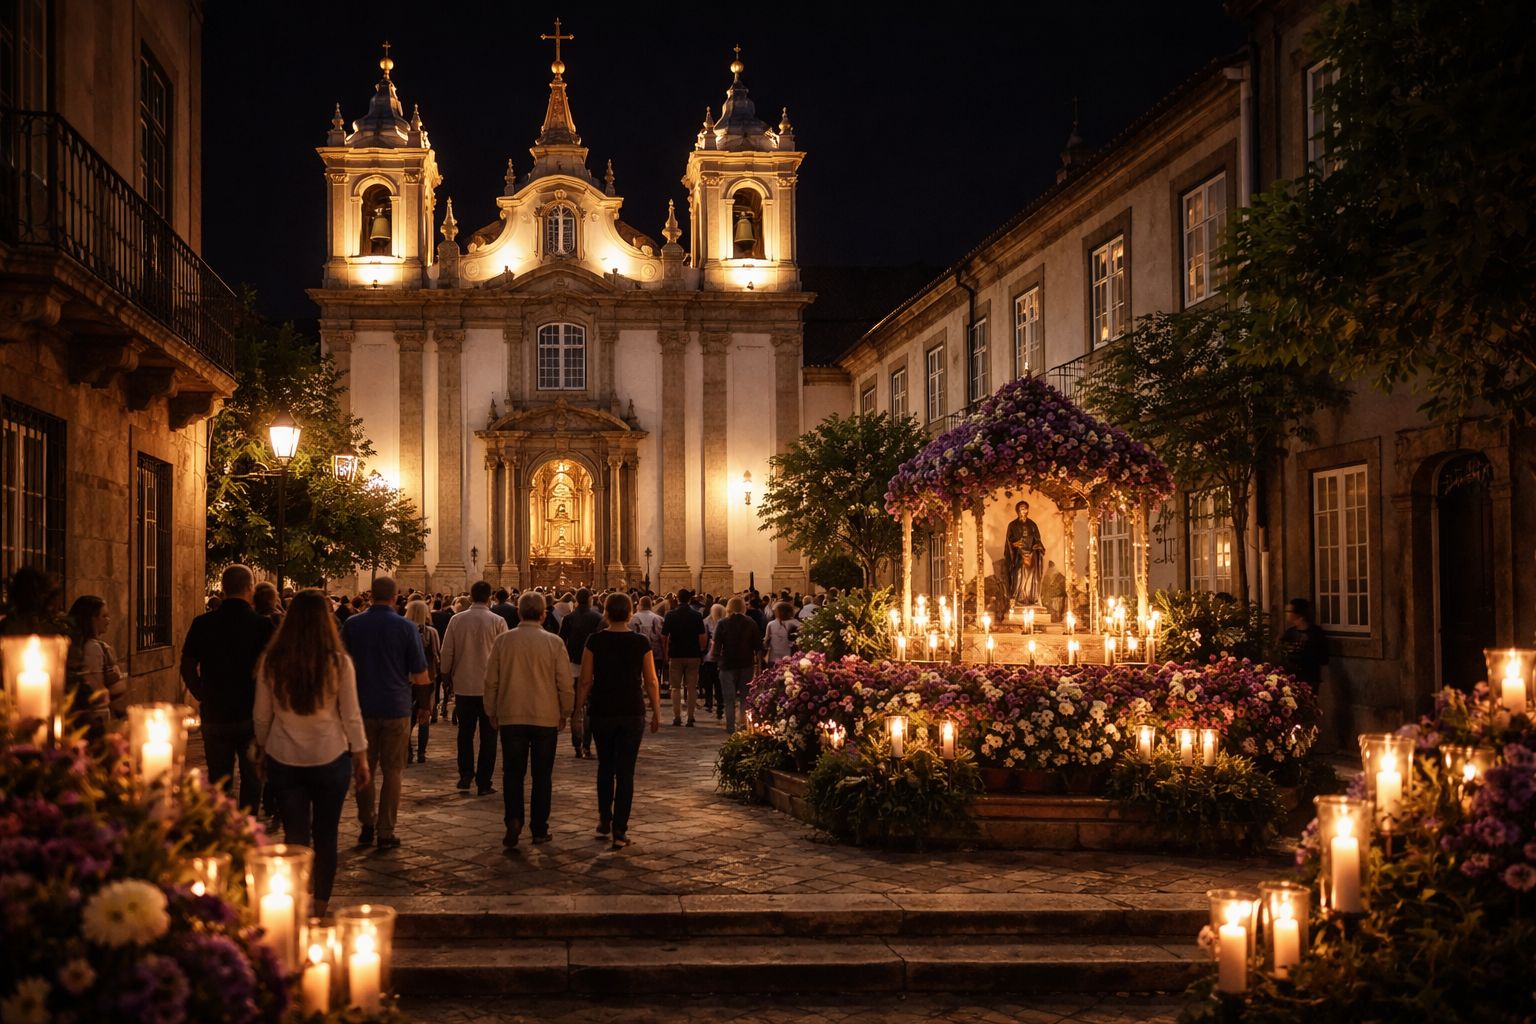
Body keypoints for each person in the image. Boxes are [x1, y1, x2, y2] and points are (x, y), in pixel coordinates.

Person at [253, 589, 369, 918]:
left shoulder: (272, 660)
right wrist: (360, 755)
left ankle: (296, 902)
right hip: (330, 756)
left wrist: (262, 749)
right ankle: (320, 906)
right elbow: (351, 714)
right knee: (327, 835)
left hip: (284, 756)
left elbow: (262, 714)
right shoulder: (338, 661)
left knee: (295, 835)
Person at [340, 576, 429, 849]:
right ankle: (386, 830)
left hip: (360, 707)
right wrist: (424, 705)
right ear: (395, 595)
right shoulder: (405, 627)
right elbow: (420, 672)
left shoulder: (352, 625)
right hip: (396, 706)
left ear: (370, 596)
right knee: (393, 771)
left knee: (363, 767)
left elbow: (340, 664)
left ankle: (367, 823)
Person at [180, 565, 276, 813]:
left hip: (215, 711)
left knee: (218, 778)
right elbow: (273, 669)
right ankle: (248, 826)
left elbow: (188, 664)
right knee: (253, 777)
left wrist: (200, 692)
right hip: (251, 712)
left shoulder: (203, 623)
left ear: (222, 588)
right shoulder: (262, 625)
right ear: (250, 588)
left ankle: (221, 828)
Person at [484, 592, 573, 847]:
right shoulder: (554, 642)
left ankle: (513, 820)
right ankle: (539, 829)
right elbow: (565, 684)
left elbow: (491, 680)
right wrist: (565, 712)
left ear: (519, 613)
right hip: (546, 717)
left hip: (511, 715)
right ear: (544, 615)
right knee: (542, 775)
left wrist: (491, 710)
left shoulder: (503, 641)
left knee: (512, 772)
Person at [576, 592, 662, 849]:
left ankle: (604, 817)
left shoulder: (594, 640)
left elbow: (584, 680)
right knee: (625, 772)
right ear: (629, 613)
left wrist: (577, 711)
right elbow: (651, 681)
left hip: (602, 709)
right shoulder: (640, 642)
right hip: (632, 710)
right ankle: (620, 830)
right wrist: (657, 711)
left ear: (605, 612)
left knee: (605, 765)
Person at [439, 581, 507, 793]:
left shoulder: (457, 620)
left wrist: (446, 678)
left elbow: (447, 651)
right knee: (489, 736)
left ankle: (466, 774)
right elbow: (504, 656)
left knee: (465, 732)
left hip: (464, 685)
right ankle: (484, 782)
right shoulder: (498, 621)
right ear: (489, 598)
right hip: (489, 688)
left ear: (470, 596)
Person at [1282, 597, 1335, 751]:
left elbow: (1323, 657)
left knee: (1308, 713)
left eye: (1290, 610)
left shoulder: (1315, 633)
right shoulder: (1289, 633)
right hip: (1292, 679)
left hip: (1309, 678)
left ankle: (1308, 745)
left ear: (1299, 613)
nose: (1287, 614)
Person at [559, 588, 604, 759]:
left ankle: (577, 745)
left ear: (576, 600)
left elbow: (561, 643)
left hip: (573, 666)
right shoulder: (597, 618)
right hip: (593, 667)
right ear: (591, 599)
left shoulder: (569, 618)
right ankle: (587, 744)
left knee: (576, 709)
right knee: (591, 709)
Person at [69, 595, 127, 721]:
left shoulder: (95, 646)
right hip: (99, 715)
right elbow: (95, 686)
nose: (108, 620)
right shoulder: (93, 648)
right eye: (104, 616)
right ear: (92, 619)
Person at [711, 597, 761, 733]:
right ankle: (744, 724)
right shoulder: (751, 623)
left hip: (727, 664)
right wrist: (759, 665)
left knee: (729, 699)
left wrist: (715, 661)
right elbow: (758, 645)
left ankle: (730, 727)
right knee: (745, 698)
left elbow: (717, 646)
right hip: (746, 663)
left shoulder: (722, 623)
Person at [660, 588, 707, 727]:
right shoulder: (696, 615)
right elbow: (702, 636)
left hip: (676, 654)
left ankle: (677, 717)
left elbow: (664, 636)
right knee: (692, 687)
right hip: (692, 654)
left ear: (677, 599)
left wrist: (666, 653)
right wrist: (701, 649)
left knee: (675, 687)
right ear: (689, 599)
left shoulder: (670, 615)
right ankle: (691, 717)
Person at [403, 599, 442, 765]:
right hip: (427, 677)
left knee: (407, 717)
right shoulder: (431, 632)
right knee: (425, 712)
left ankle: (408, 751)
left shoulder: (403, 630)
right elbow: (436, 654)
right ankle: (421, 752)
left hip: (407, 678)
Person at [1004, 500, 1047, 607]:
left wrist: (1038, 546)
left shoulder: (1032, 525)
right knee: (1018, 575)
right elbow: (1009, 541)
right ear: (1018, 510)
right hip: (1018, 555)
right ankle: (1017, 598)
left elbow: (1037, 538)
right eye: (1022, 508)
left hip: (1032, 555)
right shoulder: (1012, 525)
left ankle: (1031, 599)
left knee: (1031, 577)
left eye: (1026, 508)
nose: (1024, 510)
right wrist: (1015, 544)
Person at [701, 603, 725, 718]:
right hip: (721, 655)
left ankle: (709, 700)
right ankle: (720, 701)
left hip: (709, 655)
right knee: (719, 681)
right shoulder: (725, 622)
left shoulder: (706, 622)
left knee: (709, 679)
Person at [765, 601, 801, 665]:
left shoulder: (771, 624)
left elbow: (766, 642)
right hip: (791, 657)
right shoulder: (797, 624)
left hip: (774, 658)